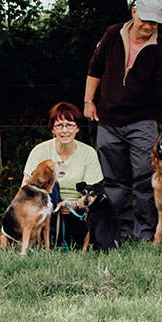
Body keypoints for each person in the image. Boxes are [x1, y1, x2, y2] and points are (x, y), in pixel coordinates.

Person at [84, 0, 162, 242]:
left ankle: (144, 233)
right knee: (113, 180)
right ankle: (118, 231)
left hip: (142, 121)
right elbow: (95, 69)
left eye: (154, 23)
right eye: (145, 20)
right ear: (134, 12)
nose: (148, 27)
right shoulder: (112, 34)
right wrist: (88, 101)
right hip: (108, 119)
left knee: (146, 178)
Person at [22, 101, 104, 249]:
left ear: (77, 128)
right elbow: (25, 188)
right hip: (44, 211)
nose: (64, 130)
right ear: (52, 129)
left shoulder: (89, 153)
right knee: (52, 184)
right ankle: (47, 240)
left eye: (70, 125)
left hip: (76, 212)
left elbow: (96, 192)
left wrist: (75, 204)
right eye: (59, 125)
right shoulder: (40, 151)